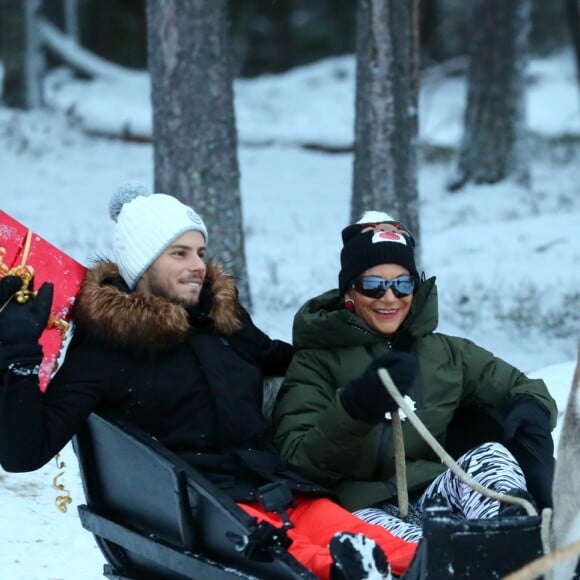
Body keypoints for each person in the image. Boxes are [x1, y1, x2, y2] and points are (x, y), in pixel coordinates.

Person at [0, 189, 418, 580]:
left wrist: (366, 374)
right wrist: (18, 356)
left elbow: (289, 363)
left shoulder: (223, 322)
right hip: (205, 512)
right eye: (179, 253)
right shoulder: (106, 349)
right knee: (319, 564)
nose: (197, 265)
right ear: (142, 266)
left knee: (408, 555)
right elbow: (23, 453)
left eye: (199, 251)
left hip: (282, 491)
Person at [272, 210, 558, 543]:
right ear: (349, 292)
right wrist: (355, 409)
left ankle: (519, 537)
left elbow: (522, 386)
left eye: (402, 284)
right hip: (362, 508)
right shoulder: (316, 360)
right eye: (373, 285)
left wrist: (532, 410)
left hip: (434, 492)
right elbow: (297, 459)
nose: (390, 297)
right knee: (428, 553)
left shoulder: (444, 353)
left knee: (489, 456)